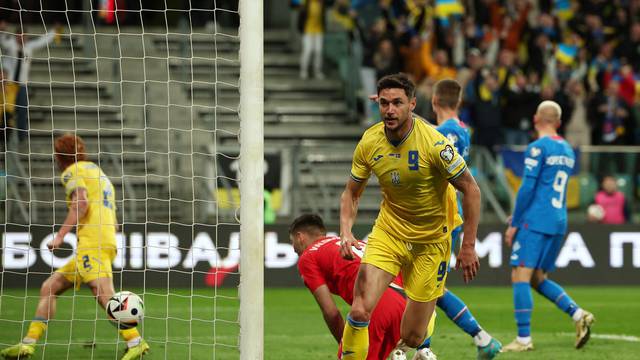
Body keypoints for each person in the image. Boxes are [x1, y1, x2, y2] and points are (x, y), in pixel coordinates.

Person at [339, 73, 481, 359]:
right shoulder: (370, 141)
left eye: (397, 103)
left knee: (413, 336)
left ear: (413, 104)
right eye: (384, 103)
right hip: (389, 233)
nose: (390, 110)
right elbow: (351, 193)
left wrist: (467, 246)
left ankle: (416, 341)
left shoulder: (434, 143)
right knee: (359, 308)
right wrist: (345, 231)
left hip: (431, 241)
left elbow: (471, 189)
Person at [0, 134, 150, 360]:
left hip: (93, 241)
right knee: (50, 287)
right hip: (101, 237)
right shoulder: (97, 172)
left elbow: (81, 203)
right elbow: (113, 217)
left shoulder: (73, 171)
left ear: (60, 156)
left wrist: (60, 236)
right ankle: (28, 344)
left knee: (104, 294)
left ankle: (136, 341)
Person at [503, 101, 595, 352]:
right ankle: (578, 315)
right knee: (537, 278)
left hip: (536, 218)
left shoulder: (537, 148)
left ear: (535, 119)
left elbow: (527, 187)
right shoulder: (567, 150)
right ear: (559, 122)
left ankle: (523, 339)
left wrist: (516, 221)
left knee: (520, 274)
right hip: (558, 219)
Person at [290, 214, 437, 360]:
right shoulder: (352, 243)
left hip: (377, 306)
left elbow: (331, 311)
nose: (293, 248)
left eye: (292, 242)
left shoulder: (308, 257)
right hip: (406, 302)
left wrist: (348, 344)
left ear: (299, 237)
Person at [429, 79, 502, 359]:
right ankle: (482, 339)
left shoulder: (444, 132)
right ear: (458, 102)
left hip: (439, 215)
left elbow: (428, 144)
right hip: (448, 214)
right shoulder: (461, 129)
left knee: (430, 287)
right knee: (429, 287)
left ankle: (425, 348)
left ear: (434, 101)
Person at [0, 26, 61, 143]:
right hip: (9, 84)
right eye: (20, 35)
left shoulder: (29, 47)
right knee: (6, 110)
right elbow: (3, 41)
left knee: (23, 109)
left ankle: (21, 137)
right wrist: (2, 30)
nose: (22, 38)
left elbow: (41, 42)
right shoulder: (10, 45)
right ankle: (5, 136)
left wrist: (53, 32)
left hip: (22, 84)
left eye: (24, 36)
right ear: (16, 35)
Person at [298, 0, 326, 79]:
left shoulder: (321, 3)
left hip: (319, 30)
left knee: (319, 51)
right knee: (308, 50)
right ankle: (303, 70)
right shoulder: (305, 3)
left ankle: (317, 71)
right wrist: (301, 29)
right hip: (307, 30)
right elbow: (301, 15)